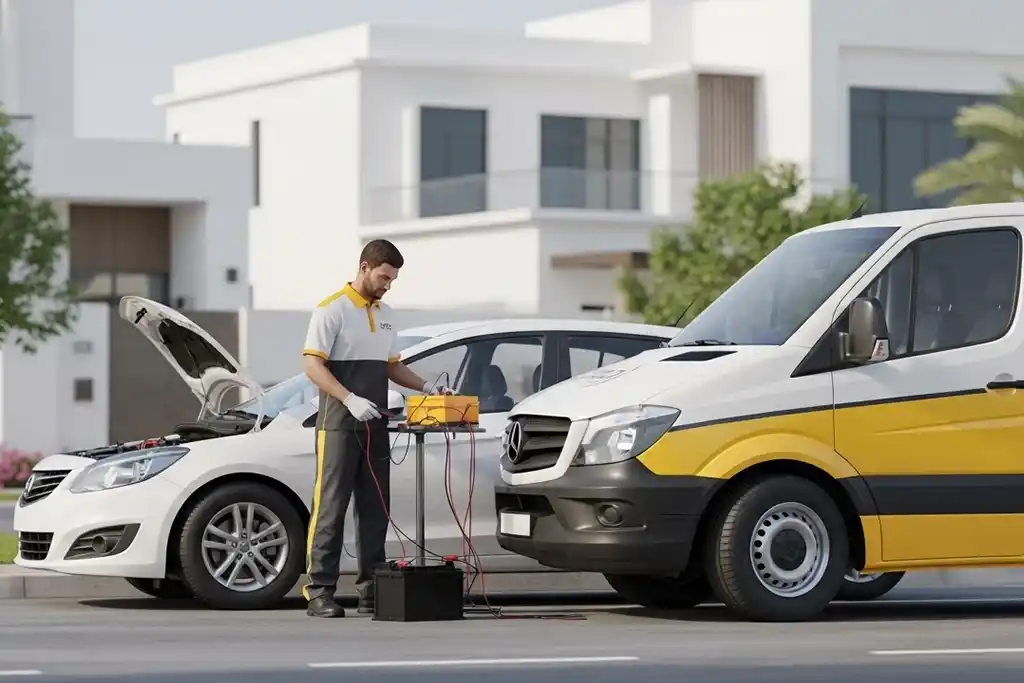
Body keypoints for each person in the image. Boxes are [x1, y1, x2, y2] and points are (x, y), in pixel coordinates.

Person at [300, 239, 447, 618]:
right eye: (384, 277)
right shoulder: (331, 310)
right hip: (337, 426)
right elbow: (313, 367)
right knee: (330, 509)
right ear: (364, 267)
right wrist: (348, 399)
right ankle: (319, 591)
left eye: (393, 279)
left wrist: (427, 386)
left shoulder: (386, 315)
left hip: (375, 426)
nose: (387, 285)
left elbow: (390, 366)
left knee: (374, 509)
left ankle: (370, 589)